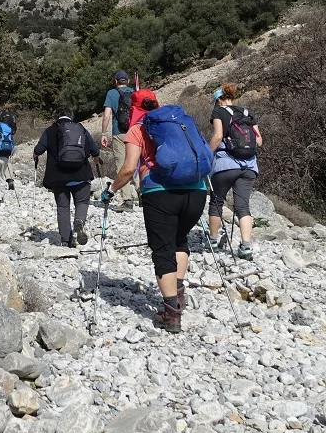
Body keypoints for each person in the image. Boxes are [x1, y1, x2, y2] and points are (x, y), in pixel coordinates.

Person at [102, 90, 207, 333]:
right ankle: (178, 294)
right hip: (196, 192)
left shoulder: (137, 129)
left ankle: (171, 314)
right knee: (180, 241)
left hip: (160, 194)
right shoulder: (179, 124)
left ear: (132, 109)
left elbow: (128, 169)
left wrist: (110, 191)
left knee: (163, 249)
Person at [207, 84, 262, 259]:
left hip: (225, 164)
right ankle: (245, 246)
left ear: (218, 99)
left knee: (216, 202)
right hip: (249, 167)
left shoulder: (219, 112)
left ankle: (213, 241)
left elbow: (217, 136)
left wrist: (206, 155)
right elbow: (259, 141)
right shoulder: (247, 113)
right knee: (243, 206)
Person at [33, 111, 101, 248]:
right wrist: (96, 158)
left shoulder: (51, 130)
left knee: (63, 207)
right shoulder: (80, 128)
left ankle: (66, 240)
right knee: (82, 202)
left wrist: (35, 155)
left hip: (58, 177)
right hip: (81, 175)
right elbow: (94, 149)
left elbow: (38, 149)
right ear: (71, 117)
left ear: (56, 117)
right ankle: (79, 221)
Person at [100, 71, 138, 210]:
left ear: (116, 81)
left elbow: (106, 115)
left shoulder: (111, 93)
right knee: (137, 163)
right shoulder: (135, 92)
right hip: (135, 132)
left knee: (122, 165)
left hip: (119, 133)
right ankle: (143, 195)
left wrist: (104, 133)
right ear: (127, 81)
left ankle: (127, 200)